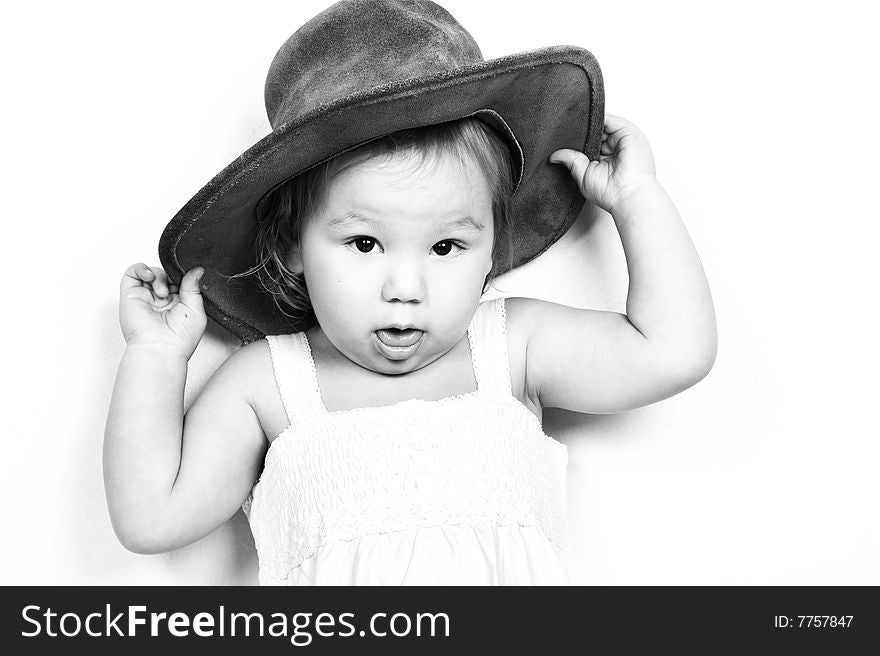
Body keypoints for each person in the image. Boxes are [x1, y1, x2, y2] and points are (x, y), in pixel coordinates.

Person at [104, 0, 716, 585]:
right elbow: (152, 518)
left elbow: (670, 352)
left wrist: (638, 201)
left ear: (491, 248)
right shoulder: (267, 384)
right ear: (293, 245)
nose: (405, 288)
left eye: (446, 247)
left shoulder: (512, 347)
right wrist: (155, 358)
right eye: (365, 244)